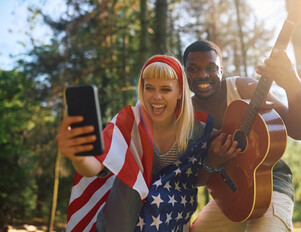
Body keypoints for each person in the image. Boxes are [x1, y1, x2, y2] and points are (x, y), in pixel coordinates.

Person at [56, 54, 239, 232]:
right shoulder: (128, 121)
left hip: (171, 224)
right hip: (121, 223)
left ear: (179, 92)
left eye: (165, 89)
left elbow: (196, 178)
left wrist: (214, 160)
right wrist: (78, 156)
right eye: (149, 88)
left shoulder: (199, 130)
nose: (156, 97)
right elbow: (94, 167)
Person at [183, 40, 301, 232]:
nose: (203, 75)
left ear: (221, 70)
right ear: (185, 74)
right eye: (193, 69)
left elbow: (300, 131)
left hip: (270, 184)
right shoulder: (187, 115)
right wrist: (212, 160)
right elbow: (198, 179)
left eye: (211, 67)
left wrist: (293, 85)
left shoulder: (242, 88)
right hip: (228, 192)